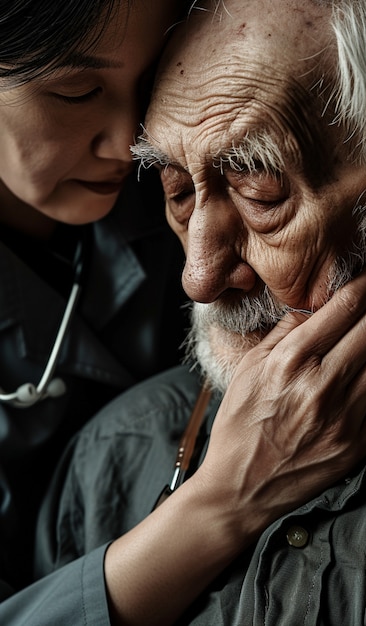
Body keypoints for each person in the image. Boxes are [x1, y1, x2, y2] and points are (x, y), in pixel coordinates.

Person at [2, 0, 366, 624]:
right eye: (175, 189)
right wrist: (220, 501)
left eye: (258, 188)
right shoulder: (110, 455)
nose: (197, 280)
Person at [0, 0, 187, 596]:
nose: (132, 142)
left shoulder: (176, 201)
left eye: (152, 78)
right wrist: (216, 510)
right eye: (79, 93)